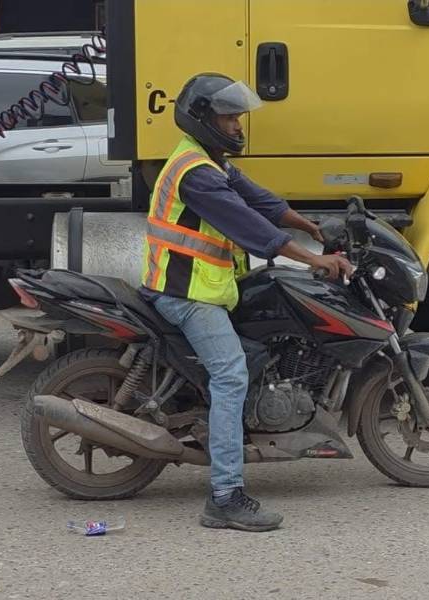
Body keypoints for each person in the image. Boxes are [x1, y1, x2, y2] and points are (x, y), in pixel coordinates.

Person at [140, 73, 353, 532]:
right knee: (230, 373)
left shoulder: (211, 163)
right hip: (186, 295)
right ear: (202, 119)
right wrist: (314, 261)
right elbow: (255, 230)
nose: (238, 125)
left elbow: (262, 203)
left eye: (238, 116)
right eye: (229, 117)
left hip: (210, 289)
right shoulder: (196, 174)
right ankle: (224, 497)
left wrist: (312, 226)